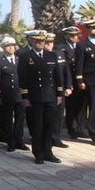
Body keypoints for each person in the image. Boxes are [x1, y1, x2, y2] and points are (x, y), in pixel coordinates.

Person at [18, 31, 65, 164]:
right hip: (35, 97)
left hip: (50, 96)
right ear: (31, 41)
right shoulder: (26, 56)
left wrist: (59, 93)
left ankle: (48, 152)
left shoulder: (51, 55)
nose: (41, 43)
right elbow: (22, 78)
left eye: (43, 41)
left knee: (49, 126)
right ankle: (38, 153)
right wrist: (25, 96)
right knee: (37, 127)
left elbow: (57, 76)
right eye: (37, 41)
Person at [0, 36, 27, 153]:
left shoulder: (20, 60)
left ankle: (19, 141)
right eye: (8, 46)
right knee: (7, 120)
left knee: (20, 119)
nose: (11, 48)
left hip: (20, 94)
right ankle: (10, 142)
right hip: (7, 95)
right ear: (3, 48)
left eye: (13, 45)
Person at [58, 25, 86, 141]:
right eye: (71, 35)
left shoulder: (81, 46)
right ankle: (71, 128)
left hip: (80, 80)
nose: (74, 37)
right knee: (70, 106)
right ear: (66, 36)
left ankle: (81, 128)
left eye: (76, 35)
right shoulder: (61, 48)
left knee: (81, 105)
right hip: (68, 81)